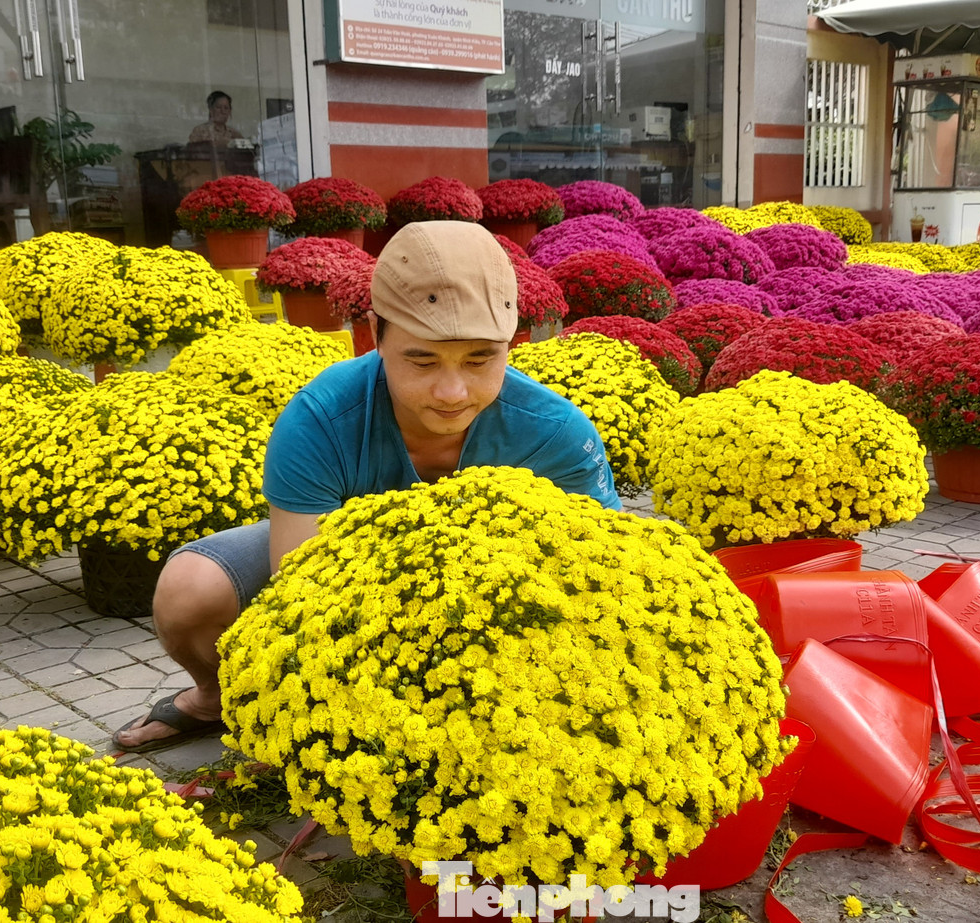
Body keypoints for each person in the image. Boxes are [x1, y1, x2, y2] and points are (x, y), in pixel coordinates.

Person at [113, 220, 621, 752]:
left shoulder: (556, 431)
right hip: (339, 576)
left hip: (502, 597)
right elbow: (300, 592)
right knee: (189, 591)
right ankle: (216, 699)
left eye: (480, 359)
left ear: (511, 345)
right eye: (421, 359)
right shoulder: (321, 416)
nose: (452, 391)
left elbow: (607, 573)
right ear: (374, 334)